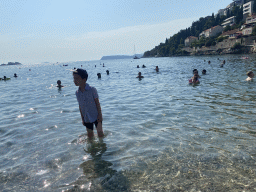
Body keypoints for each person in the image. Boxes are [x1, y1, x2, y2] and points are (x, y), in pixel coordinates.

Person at [73, 68, 104, 138]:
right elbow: (80, 106)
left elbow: (97, 103)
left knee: (100, 134)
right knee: (90, 136)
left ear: (84, 79)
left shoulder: (92, 89)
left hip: (96, 116)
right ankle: (92, 148)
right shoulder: (77, 93)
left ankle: (103, 147)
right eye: (74, 78)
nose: (75, 80)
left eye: (77, 78)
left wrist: (100, 115)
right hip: (86, 117)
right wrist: (82, 118)